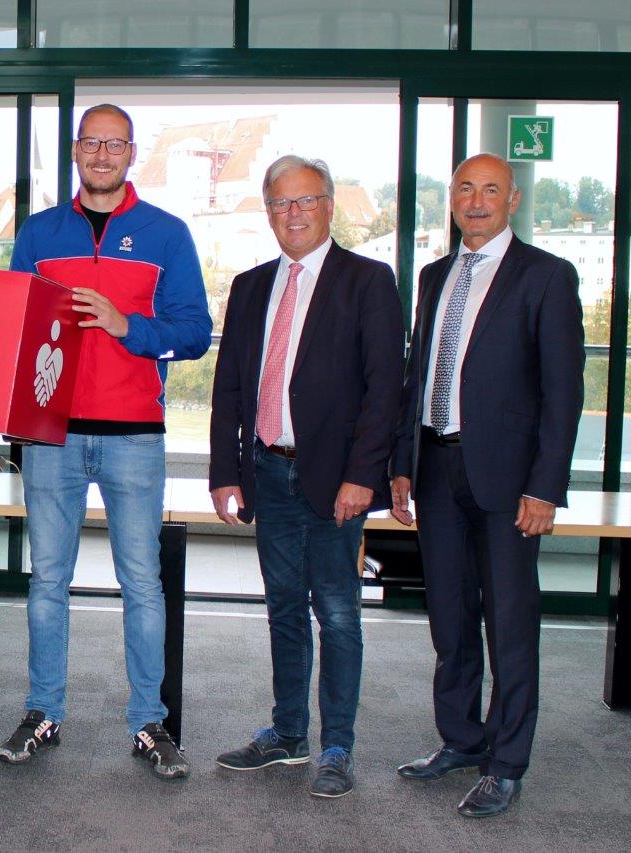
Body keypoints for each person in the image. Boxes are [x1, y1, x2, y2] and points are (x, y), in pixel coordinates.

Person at [0, 104, 211, 780]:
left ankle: (149, 721)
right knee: (47, 582)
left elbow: (195, 333)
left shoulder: (167, 234)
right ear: (75, 150)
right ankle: (42, 711)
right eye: (91, 142)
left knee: (141, 583)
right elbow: (11, 327)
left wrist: (128, 325)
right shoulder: (39, 233)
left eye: (114, 144)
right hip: (52, 435)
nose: (102, 154)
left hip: (134, 434)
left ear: (131, 153)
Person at [390, 153, 584, 818]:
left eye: (490, 189)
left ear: (513, 199)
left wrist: (545, 487)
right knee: (450, 620)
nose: (476, 201)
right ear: (452, 199)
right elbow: (418, 376)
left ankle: (506, 762)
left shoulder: (546, 276)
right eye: (466, 189)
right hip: (438, 471)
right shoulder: (433, 275)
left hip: (509, 483)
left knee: (509, 626)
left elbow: (563, 393)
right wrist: (403, 461)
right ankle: (461, 739)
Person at [209, 155, 403, 798]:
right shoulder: (249, 286)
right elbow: (229, 388)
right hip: (268, 470)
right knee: (284, 610)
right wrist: (225, 470)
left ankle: (337, 747)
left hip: (336, 481)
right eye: (280, 203)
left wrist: (364, 475)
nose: (292, 213)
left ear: (329, 206)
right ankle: (289, 734)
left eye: (305, 200)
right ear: (268, 212)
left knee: (338, 614)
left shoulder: (368, 281)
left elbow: (385, 389)